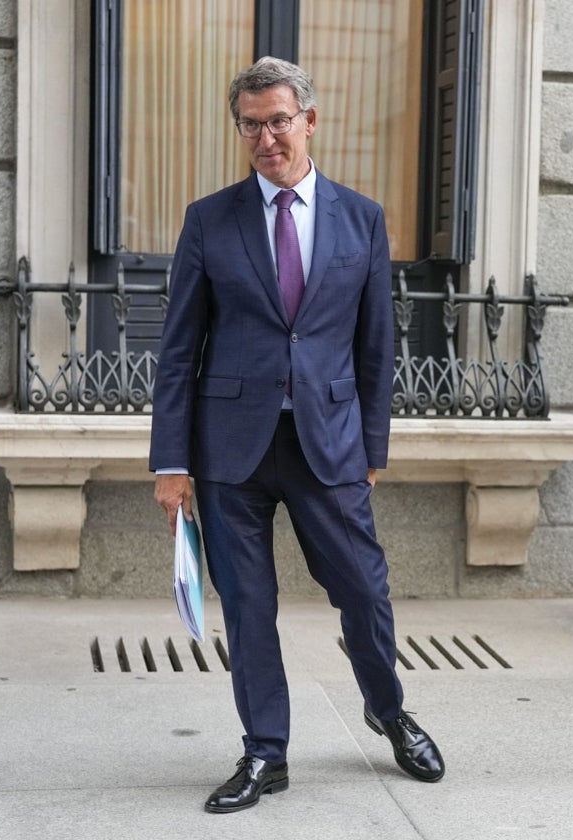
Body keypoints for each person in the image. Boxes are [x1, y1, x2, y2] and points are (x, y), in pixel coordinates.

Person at [150, 56, 444, 814]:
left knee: (363, 592)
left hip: (331, 444)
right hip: (229, 453)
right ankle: (264, 754)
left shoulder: (362, 218)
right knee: (249, 608)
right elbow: (179, 349)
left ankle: (389, 711)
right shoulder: (209, 219)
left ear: (309, 121)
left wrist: (372, 450)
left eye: (279, 120)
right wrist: (171, 461)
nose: (266, 137)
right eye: (251, 124)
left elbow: (376, 345)